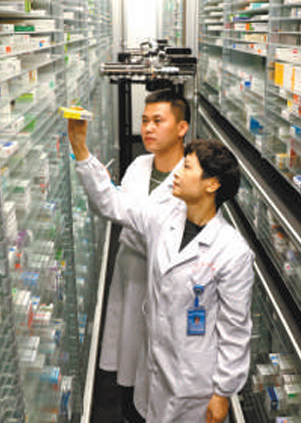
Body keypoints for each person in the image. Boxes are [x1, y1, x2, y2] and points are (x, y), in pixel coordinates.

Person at [68, 116, 254, 423]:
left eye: (187, 168)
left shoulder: (232, 252)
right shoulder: (162, 218)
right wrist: (80, 149)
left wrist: (222, 392)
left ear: (212, 184)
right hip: (154, 369)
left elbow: (235, 330)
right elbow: (111, 203)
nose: (176, 174)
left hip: (195, 383)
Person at [98, 89, 190, 423]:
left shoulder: (192, 175)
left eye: (158, 121)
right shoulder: (138, 166)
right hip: (132, 270)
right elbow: (119, 208)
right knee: (129, 353)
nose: (148, 128)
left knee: (160, 365)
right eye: (144, 120)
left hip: (165, 281)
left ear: (181, 128)